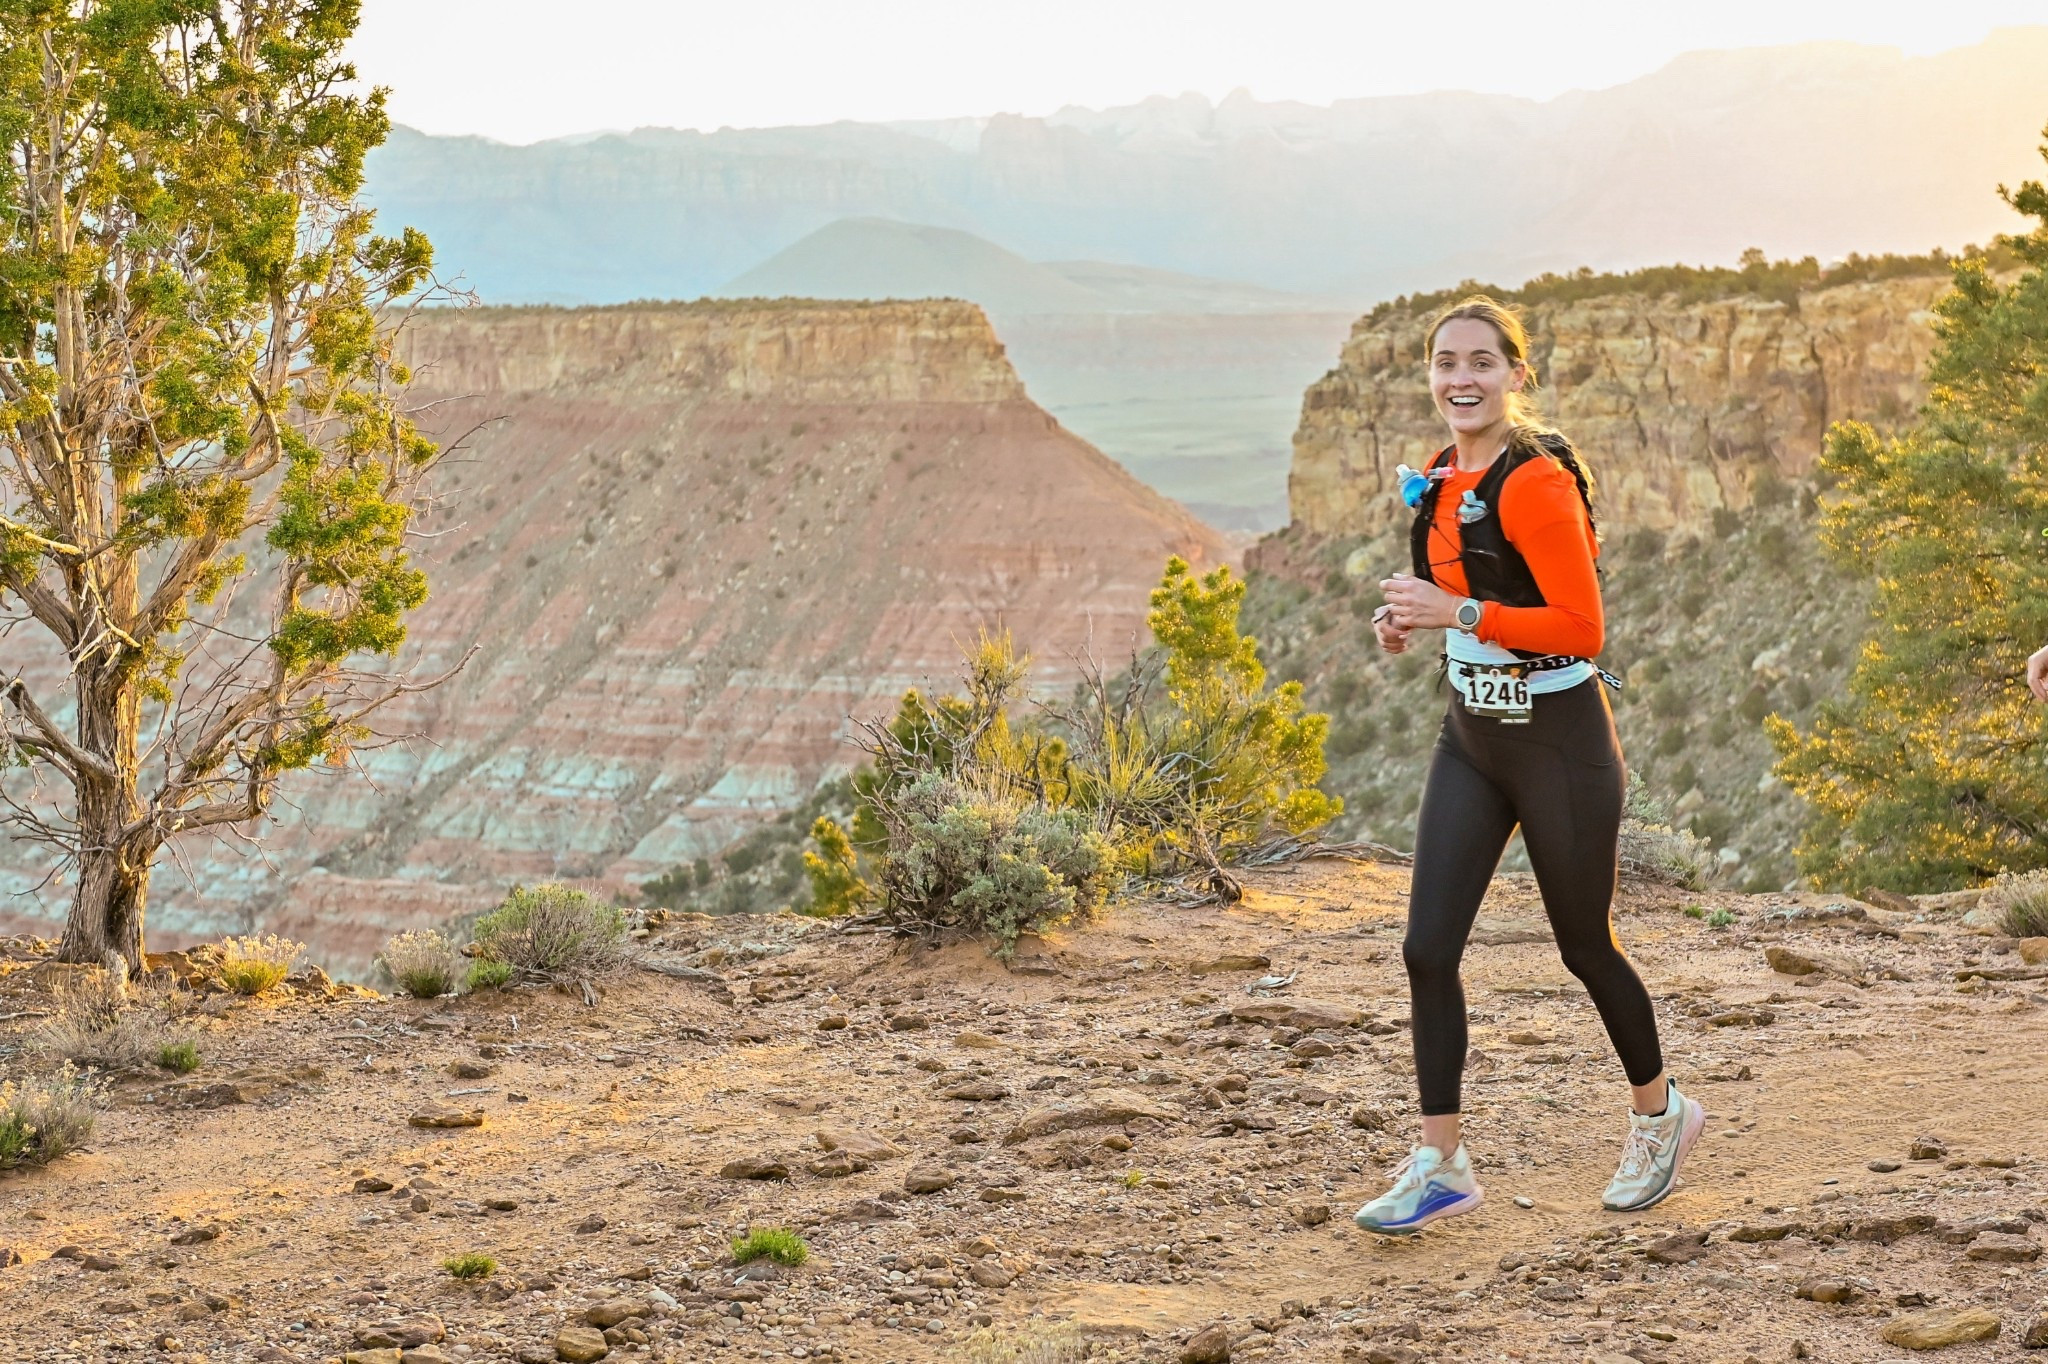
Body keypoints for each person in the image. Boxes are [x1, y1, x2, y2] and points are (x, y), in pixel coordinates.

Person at [1353, 296, 1704, 1235]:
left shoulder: (1536, 481)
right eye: (1443, 362)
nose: (1460, 379)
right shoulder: (1436, 472)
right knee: (1427, 948)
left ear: (1517, 372)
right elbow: (1459, 592)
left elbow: (1581, 628)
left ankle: (1661, 1115)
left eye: (1480, 361)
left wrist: (1455, 614)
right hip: (1471, 733)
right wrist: (1406, 622)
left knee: (1583, 945)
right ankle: (1441, 1162)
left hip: (1559, 738)